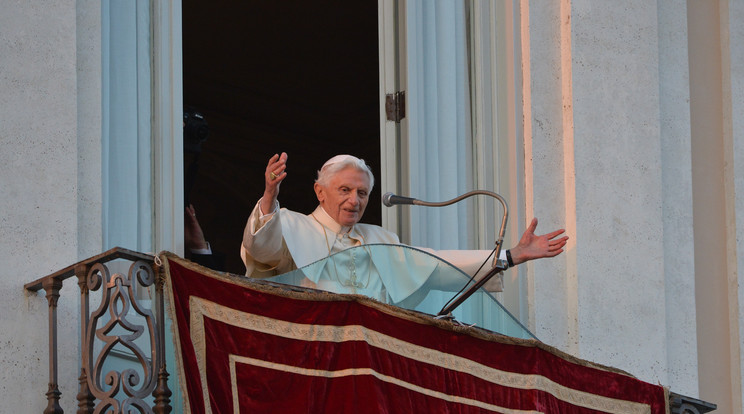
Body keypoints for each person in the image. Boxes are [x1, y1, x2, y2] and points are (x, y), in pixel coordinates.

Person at [240, 152, 568, 306]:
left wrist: (511, 256)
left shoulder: (381, 239)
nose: (355, 201)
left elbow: (436, 265)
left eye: (362, 193)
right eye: (345, 190)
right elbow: (262, 250)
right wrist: (270, 197)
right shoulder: (292, 225)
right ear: (319, 191)